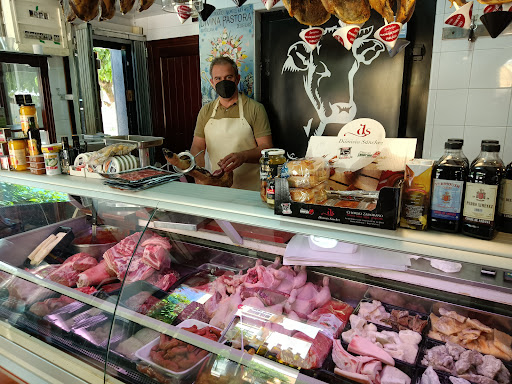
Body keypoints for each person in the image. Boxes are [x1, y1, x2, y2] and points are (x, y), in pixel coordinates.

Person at [191, 56, 273, 191]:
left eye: (228, 77)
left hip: (250, 190)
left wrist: (243, 156)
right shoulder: (206, 112)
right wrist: (199, 176)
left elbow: (267, 148)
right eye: (218, 79)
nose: (223, 82)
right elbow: (197, 146)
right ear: (212, 82)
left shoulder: (255, 108)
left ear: (237, 79)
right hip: (217, 188)